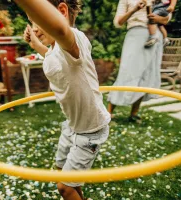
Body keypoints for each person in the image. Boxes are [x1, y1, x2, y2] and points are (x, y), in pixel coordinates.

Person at [14, 0, 111, 199]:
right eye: (31, 22)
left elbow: (60, 29)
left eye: (38, 20)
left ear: (61, 12)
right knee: (60, 169)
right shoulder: (56, 49)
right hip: (72, 125)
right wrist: (36, 44)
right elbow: (52, 57)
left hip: (90, 129)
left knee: (64, 187)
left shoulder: (75, 41)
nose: (34, 28)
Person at [108, 0, 171, 122]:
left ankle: (134, 113)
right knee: (127, 73)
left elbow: (166, 18)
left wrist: (156, 18)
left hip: (154, 37)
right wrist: (134, 10)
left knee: (146, 75)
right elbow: (118, 22)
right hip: (136, 34)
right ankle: (108, 112)